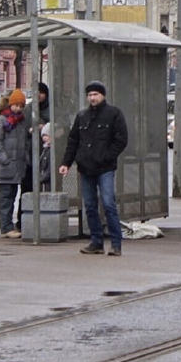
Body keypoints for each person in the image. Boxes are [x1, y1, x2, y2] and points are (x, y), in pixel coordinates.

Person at [59, 81, 129, 256]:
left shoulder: (114, 114)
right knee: (90, 206)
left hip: (105, 168)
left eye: (95, 94)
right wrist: (66, 163)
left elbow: (121, 140)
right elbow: (73, 141)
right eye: (90, 95)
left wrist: (107, 157)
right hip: (86, 168)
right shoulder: (82, 116)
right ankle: (96, 242)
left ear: (103, 95)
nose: (92, 98)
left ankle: (116, 244)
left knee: (108, 204)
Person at [0, 88, 30, 239]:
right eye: (16, 105)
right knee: (6, 197)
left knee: (12, 196)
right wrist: (5, 160)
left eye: (21, 106)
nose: (18, 109)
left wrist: (24, 157)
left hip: (18, 165)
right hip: (7, 167)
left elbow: (24, 141)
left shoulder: (21, 121)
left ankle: (8, 225)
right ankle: (6, 227)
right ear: (10, 104)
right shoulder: (2, 120)